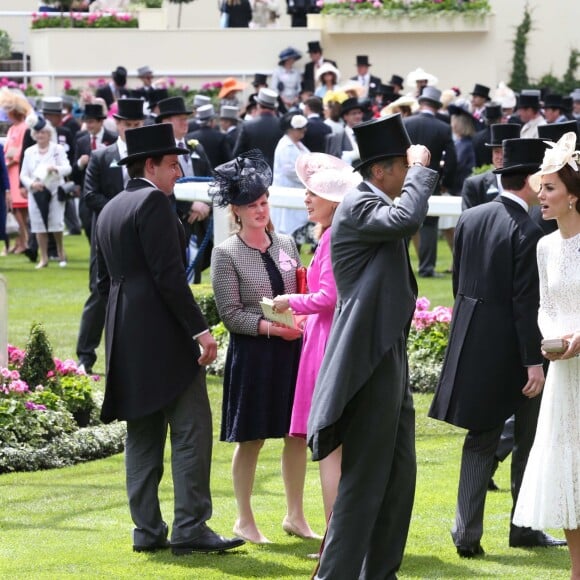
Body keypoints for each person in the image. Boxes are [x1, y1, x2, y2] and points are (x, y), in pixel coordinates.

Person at [95, 122, 244, 555]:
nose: (179, 173)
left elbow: (105, 283)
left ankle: (146, 531)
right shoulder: (154, 203)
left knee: (142, 435)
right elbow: (169, 278)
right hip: (163, 333)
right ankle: (191, 527)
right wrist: (201, 331)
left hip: (124, 332)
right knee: (191, 430)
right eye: (173, 165)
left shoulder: (110, 208)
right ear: (150, 165)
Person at [308, 114, 437, 579]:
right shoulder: (360, 204)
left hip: (386, 355)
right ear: (381, 171)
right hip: (367, 362)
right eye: (402, 167)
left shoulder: (371, 200)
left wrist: (415, 172)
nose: (409, 175)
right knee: (364, 483)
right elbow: (407, 217)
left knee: (399, 480)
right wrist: (421, 171)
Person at [428, 137, 567, 558]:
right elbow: (525, 304)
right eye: (541, 181)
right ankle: (521, 528)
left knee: (480, 438)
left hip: (471, 337)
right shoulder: (526, 229)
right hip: (512, 346)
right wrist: (533, 362)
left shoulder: (470, 218)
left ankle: (466, 531)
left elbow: (458, 286)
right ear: (527, 181)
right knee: (527, 439)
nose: (543, 189)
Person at [210, 150, 318, 545]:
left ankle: (295, 515)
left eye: (264, 202)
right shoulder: (225, 253)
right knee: (251, 437)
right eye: (252, 205)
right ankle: (244, 518)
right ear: (236, 211)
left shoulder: (286, 243)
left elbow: (301, 292)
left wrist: (302, 320)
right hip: (255, 355)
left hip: (292, 354)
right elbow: (230, 315)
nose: (261, 210)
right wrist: (273, 329)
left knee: (297, 435)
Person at [272, 152, 360, 521]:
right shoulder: (335, 234)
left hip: (324, 342)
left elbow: (328, 296)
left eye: (313, 193)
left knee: (328, 446)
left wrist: (286, 300)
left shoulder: (331, 238)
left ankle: (333, 539)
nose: (306, 199)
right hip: (324, 335)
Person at [513, 131, 580, 579]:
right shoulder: (544, 246)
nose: (542, 195)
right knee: (567, 473)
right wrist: (550, 337)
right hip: (564, 372)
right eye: (540, 187)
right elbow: (544, 305)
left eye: (551, 188)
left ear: (574, 196)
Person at [76, 98, 145, 375]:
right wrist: (122, 213)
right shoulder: (102, 157)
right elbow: (90, 194)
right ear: (117, 124)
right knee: (100, 291)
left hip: (140, 233)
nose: (133, 129)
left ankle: (134, 354)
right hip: (105, 234)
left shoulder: (148, 156)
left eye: (138, 124)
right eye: (128, 124)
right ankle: (85, 356)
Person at [404, 86, 457, 278]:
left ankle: (399, 267)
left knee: (402, 220)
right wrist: (445, 181)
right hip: (430, 180)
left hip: (406, 178)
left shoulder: (406, 123)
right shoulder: (443, 128)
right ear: (436, 106)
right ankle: (426, 267)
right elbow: (452, 159)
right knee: (429, 224)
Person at [20, 115, 72, 269]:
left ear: (49, 134)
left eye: (43, 132)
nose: (40, 135)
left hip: (55, 190)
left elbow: (68, 168)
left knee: (56, 223)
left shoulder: (58, 149)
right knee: (38, 225)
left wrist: (55, 168)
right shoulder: (29, 152)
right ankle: (43, 258)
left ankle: (60, 252)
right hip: (36, 193)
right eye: (37, 133)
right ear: (33, 135)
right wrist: (32, 184)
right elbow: (23, 174)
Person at [0, 88, 32, 254]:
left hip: (17, 170)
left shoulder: (24, 128)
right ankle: (18, 241)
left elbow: (22, 150)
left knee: (21, 209)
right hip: (9, 170)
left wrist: (11, 159)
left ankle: (24, 241)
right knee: (14, 208)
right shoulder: (12, 129)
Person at [271, 112, 310, 241]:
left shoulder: (298, 145)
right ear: (291, 130)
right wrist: (309, 177)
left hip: (297, 191)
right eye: (299, 129)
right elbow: (290, 172)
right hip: (287, 192)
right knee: (286, 232)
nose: (302, 132)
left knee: (295, 231)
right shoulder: (286, 147)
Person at [233, 88, 282, 170]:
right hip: (276, 173)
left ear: (258, 105)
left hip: (252, 174)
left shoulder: (247, 125)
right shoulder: (282, 125)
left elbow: (237, 154)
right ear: (274, 107)